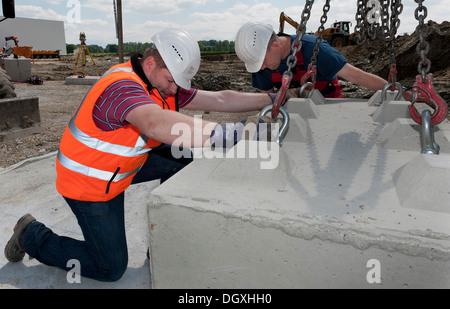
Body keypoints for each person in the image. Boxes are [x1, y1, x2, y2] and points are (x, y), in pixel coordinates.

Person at [4, 28, 274, 282]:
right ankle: (29, 234)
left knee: (180, 156)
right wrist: (240, 134)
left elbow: (219, 100)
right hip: (89, 183)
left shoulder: (162, 85)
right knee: (110, 267)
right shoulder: (122, 87)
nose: (174, 89)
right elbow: (156, 124)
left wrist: (272, 99)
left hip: (118, 169)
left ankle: (162, 237)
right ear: (150, 65)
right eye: (171, 80)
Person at [235, 22, 410, 100]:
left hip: (330, 105)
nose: (262, 68)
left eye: (262, 62)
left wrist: (405, 95)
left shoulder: (314, 49)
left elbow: (357, 77)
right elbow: (267, 97)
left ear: (274, 45)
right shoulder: (261, 65)